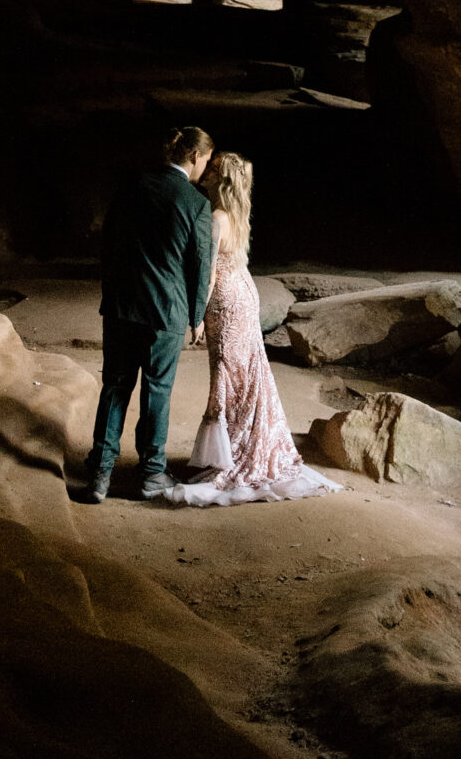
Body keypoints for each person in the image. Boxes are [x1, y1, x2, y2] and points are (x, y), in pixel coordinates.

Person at [167, 151, 341, 507]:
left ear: (222, 180)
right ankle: (239, 447)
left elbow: (210, 271)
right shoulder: (236, 213)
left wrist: (196, 316)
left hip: (227, 298)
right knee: (248, 372)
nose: (207, 174)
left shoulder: (216, 216)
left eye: (213, 171)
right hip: (245, 291)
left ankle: (234, 456)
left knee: (228, 375)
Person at [85, 125, 214, 502]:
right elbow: (200, 265)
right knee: (157, 391)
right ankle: (151, 475)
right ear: (194, 156)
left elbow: (108, 243)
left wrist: (114, 293)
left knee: (115, 386)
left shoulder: (131, 186)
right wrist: (197, 315)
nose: (204, 169)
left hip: (123, 307)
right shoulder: (195, 203)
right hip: (167, 312)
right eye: (205, 161)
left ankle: (99, 475)